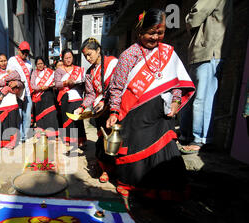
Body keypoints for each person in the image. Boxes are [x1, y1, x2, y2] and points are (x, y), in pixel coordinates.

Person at [107, 8, 196, 206]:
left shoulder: (167, 53)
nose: (156, 37)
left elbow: (176, 84)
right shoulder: (129, 56)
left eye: (160, 32)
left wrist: (175, 102)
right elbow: (117, 87)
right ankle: (132, 187)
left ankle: (161, 194)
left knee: (164, 152)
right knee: (135, 155)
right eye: (151, 33)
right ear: (140, 32)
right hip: (134, 114)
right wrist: (114, 111)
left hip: (160, 115)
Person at [179, 0, 232, 154]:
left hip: (208, 51)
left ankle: (200, 139)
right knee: (196, 97)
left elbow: (195, 16)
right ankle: (188, 136)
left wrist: (188, 19)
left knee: (202, 98)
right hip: (206, 51)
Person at [79, 37, 118, 183]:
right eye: (85, 56)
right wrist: (82, 107)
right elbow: (90, 94)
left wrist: (105, 101)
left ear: (98, 50)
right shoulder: (89, 73)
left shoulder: (112, 64)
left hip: (113, 107)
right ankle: (103, 167)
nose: (88, 58)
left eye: (90, 54)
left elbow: (117, 87)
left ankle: (111, 169)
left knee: (113, 139)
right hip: (99, 109)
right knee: (102, 138)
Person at [55, 48, 87, 148]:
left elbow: (84, 82)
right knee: (67, 118)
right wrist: (66, 82)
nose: (68, 60)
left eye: (70, 57)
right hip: (65, 96)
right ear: (62, 59)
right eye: (66, 58)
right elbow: (57, 84)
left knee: (78, 118)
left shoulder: (79, 69)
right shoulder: (59, 71)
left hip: (77, 96)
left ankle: (80, 140)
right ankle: (68, 139)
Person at [0, 53, 23, 149]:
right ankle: (3, 143)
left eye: (5, 60)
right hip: (1, 103)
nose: (3, 63)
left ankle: (12, 143)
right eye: (1, 61)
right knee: (3, 124)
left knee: (12, 123)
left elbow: (21, 83)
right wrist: (6, 84)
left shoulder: (12, 72)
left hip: (12, 101)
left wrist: (16, 83)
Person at [7, 41, 33, 142]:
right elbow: (8, 74)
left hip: (27, 93)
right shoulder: (12, 60)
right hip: (17, 92)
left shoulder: (30, 63)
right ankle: (19, 136)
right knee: (19, 114)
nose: (24, 54)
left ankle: (25, 136)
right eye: (23, 52)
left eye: (26, 52)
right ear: (18, 50)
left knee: (27, 115)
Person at [30, 57, 58, 138]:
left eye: (41, 63)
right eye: (38, 64)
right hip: (38, 97)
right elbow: (32, 85)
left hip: (48, 95)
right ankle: (41, 133)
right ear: (36, 65)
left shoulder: (49, 72)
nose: (40, 65)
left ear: (44, 64)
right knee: (40, 116)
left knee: (50, 115)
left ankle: (51, 134)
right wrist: (41, 87)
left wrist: (48, 86)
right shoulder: (34, 73)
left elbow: (54, 82)